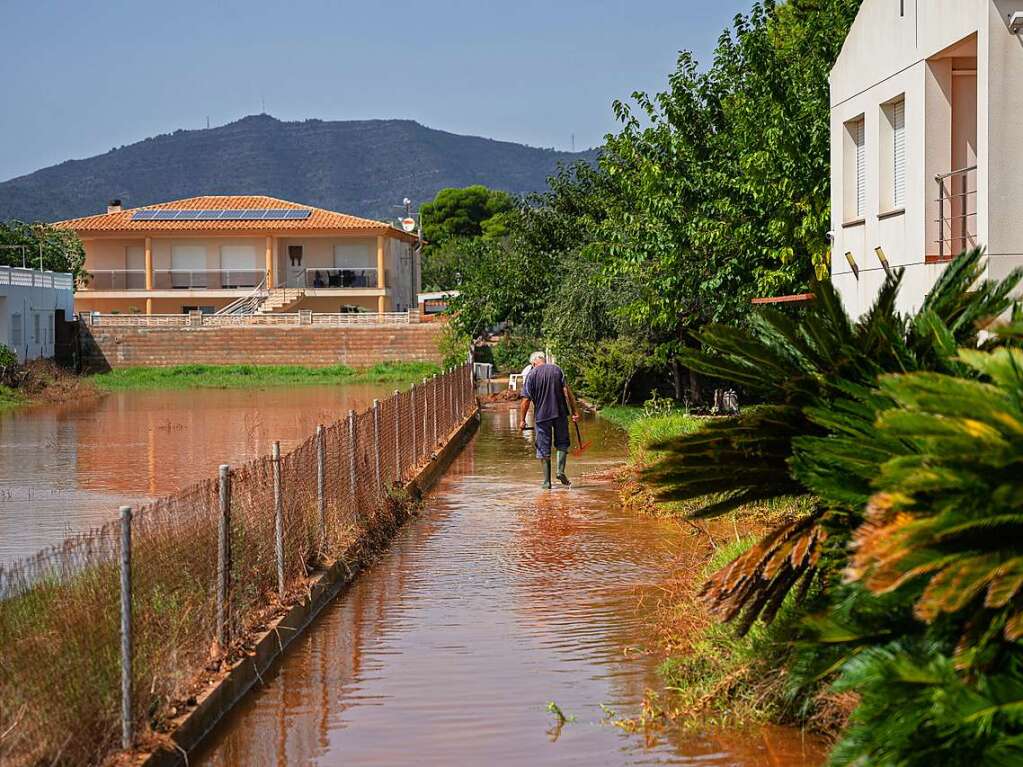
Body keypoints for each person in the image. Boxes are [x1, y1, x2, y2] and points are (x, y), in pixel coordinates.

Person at [518, 351, 580, 489]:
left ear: (533, 363)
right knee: (563, 443)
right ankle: (560, 471)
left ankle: (547, 482)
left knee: (543, 448)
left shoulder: (531, 375)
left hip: (542, 417)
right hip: (560, 413)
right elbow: (567, 392)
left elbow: (525, 400)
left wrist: (522, 420)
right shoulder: (557, 369)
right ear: (543, 360)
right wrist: (575, 411)